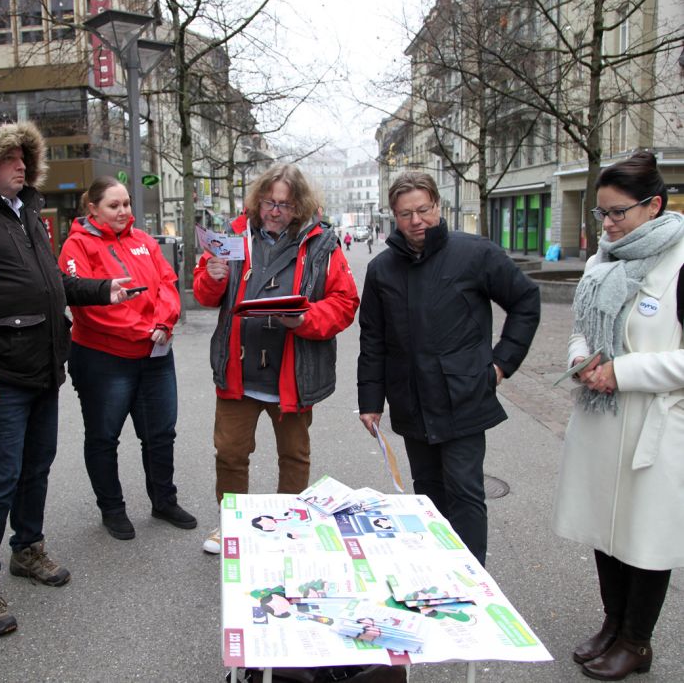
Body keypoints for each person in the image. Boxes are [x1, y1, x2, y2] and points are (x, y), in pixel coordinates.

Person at [0, 115, 130, 637]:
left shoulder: (27, 213)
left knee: (37, 468)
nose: (21, 166)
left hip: (43, 368)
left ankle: (27, 550)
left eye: (25, 158)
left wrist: (101, 290)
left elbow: (51, 282)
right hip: (0, 375)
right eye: (10, 158)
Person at [357, 170, 539, 566]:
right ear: (394, 215)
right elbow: (373, 339)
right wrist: (370, 400)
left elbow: (525, 300)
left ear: (438, 206)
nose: (416, 220)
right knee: (427, 494)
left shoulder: (475, 254)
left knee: (465, 492)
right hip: (411, 400)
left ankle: (474, 582)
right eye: (406, 214)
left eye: (423, 209)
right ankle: (437, 571)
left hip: (464, 396)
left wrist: (501, 364)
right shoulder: (382, 269)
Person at [552, 152, 684, 681]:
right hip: (602, 417)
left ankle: (637, 640)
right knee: (604, 528)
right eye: (600, 214)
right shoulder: (602, 259)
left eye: (617, 213)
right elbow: (583, 326)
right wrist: (581, 360)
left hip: (654, 423)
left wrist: (623, 373)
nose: (607, 225)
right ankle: (612, 624)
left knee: (644, 537)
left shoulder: (678, 263)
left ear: (653, 205)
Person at [194, 163, 359, 554]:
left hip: (293, 373)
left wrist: (305, 319)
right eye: (269, 202)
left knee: (294, 456)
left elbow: (345, 303)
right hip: (239, 370)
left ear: (299, 206)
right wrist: (213, 276)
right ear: (258, 200)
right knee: (231, 454)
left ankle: (289, 525)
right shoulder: (233, 236)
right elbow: (204, 295)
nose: (274, 211)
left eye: (284, 205)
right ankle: (231, 524)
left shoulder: (322, 243)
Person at [58, 176, 196, 540]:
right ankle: (112, 509)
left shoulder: (143, 241)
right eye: (113, 206)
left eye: (126, 204)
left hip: (155, 353)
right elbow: (88, 306)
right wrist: (142, 329)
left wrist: (164, 322)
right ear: (93, 208)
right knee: (104, 437)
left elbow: (168, 282)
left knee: (161, 434)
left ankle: (163, 501)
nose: (123, 212)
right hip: (105, 360)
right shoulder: (76, 247)